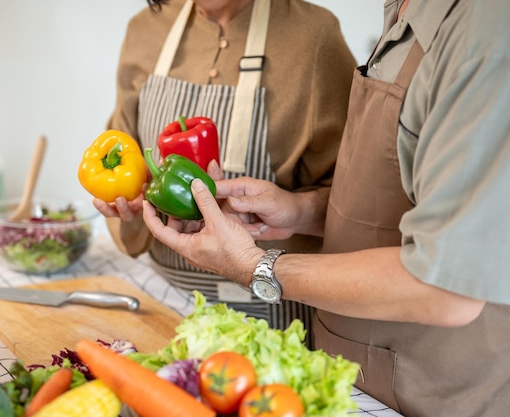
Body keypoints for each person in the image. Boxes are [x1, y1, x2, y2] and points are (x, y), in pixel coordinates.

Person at [142, 0, 510, 416]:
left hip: (436, 395)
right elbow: (403, 196)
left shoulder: (484, 33)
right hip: (350, 377)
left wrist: (253, 265)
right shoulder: (404, 9)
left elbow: (446, 289)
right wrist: (301, 210)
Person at [95, 0, 357, 340]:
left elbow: (355, 208)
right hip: (165, 306)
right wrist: (129, 204)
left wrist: (296, 209)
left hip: (272, 317)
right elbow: (126, 153)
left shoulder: (314, 36)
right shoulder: (145, 28)